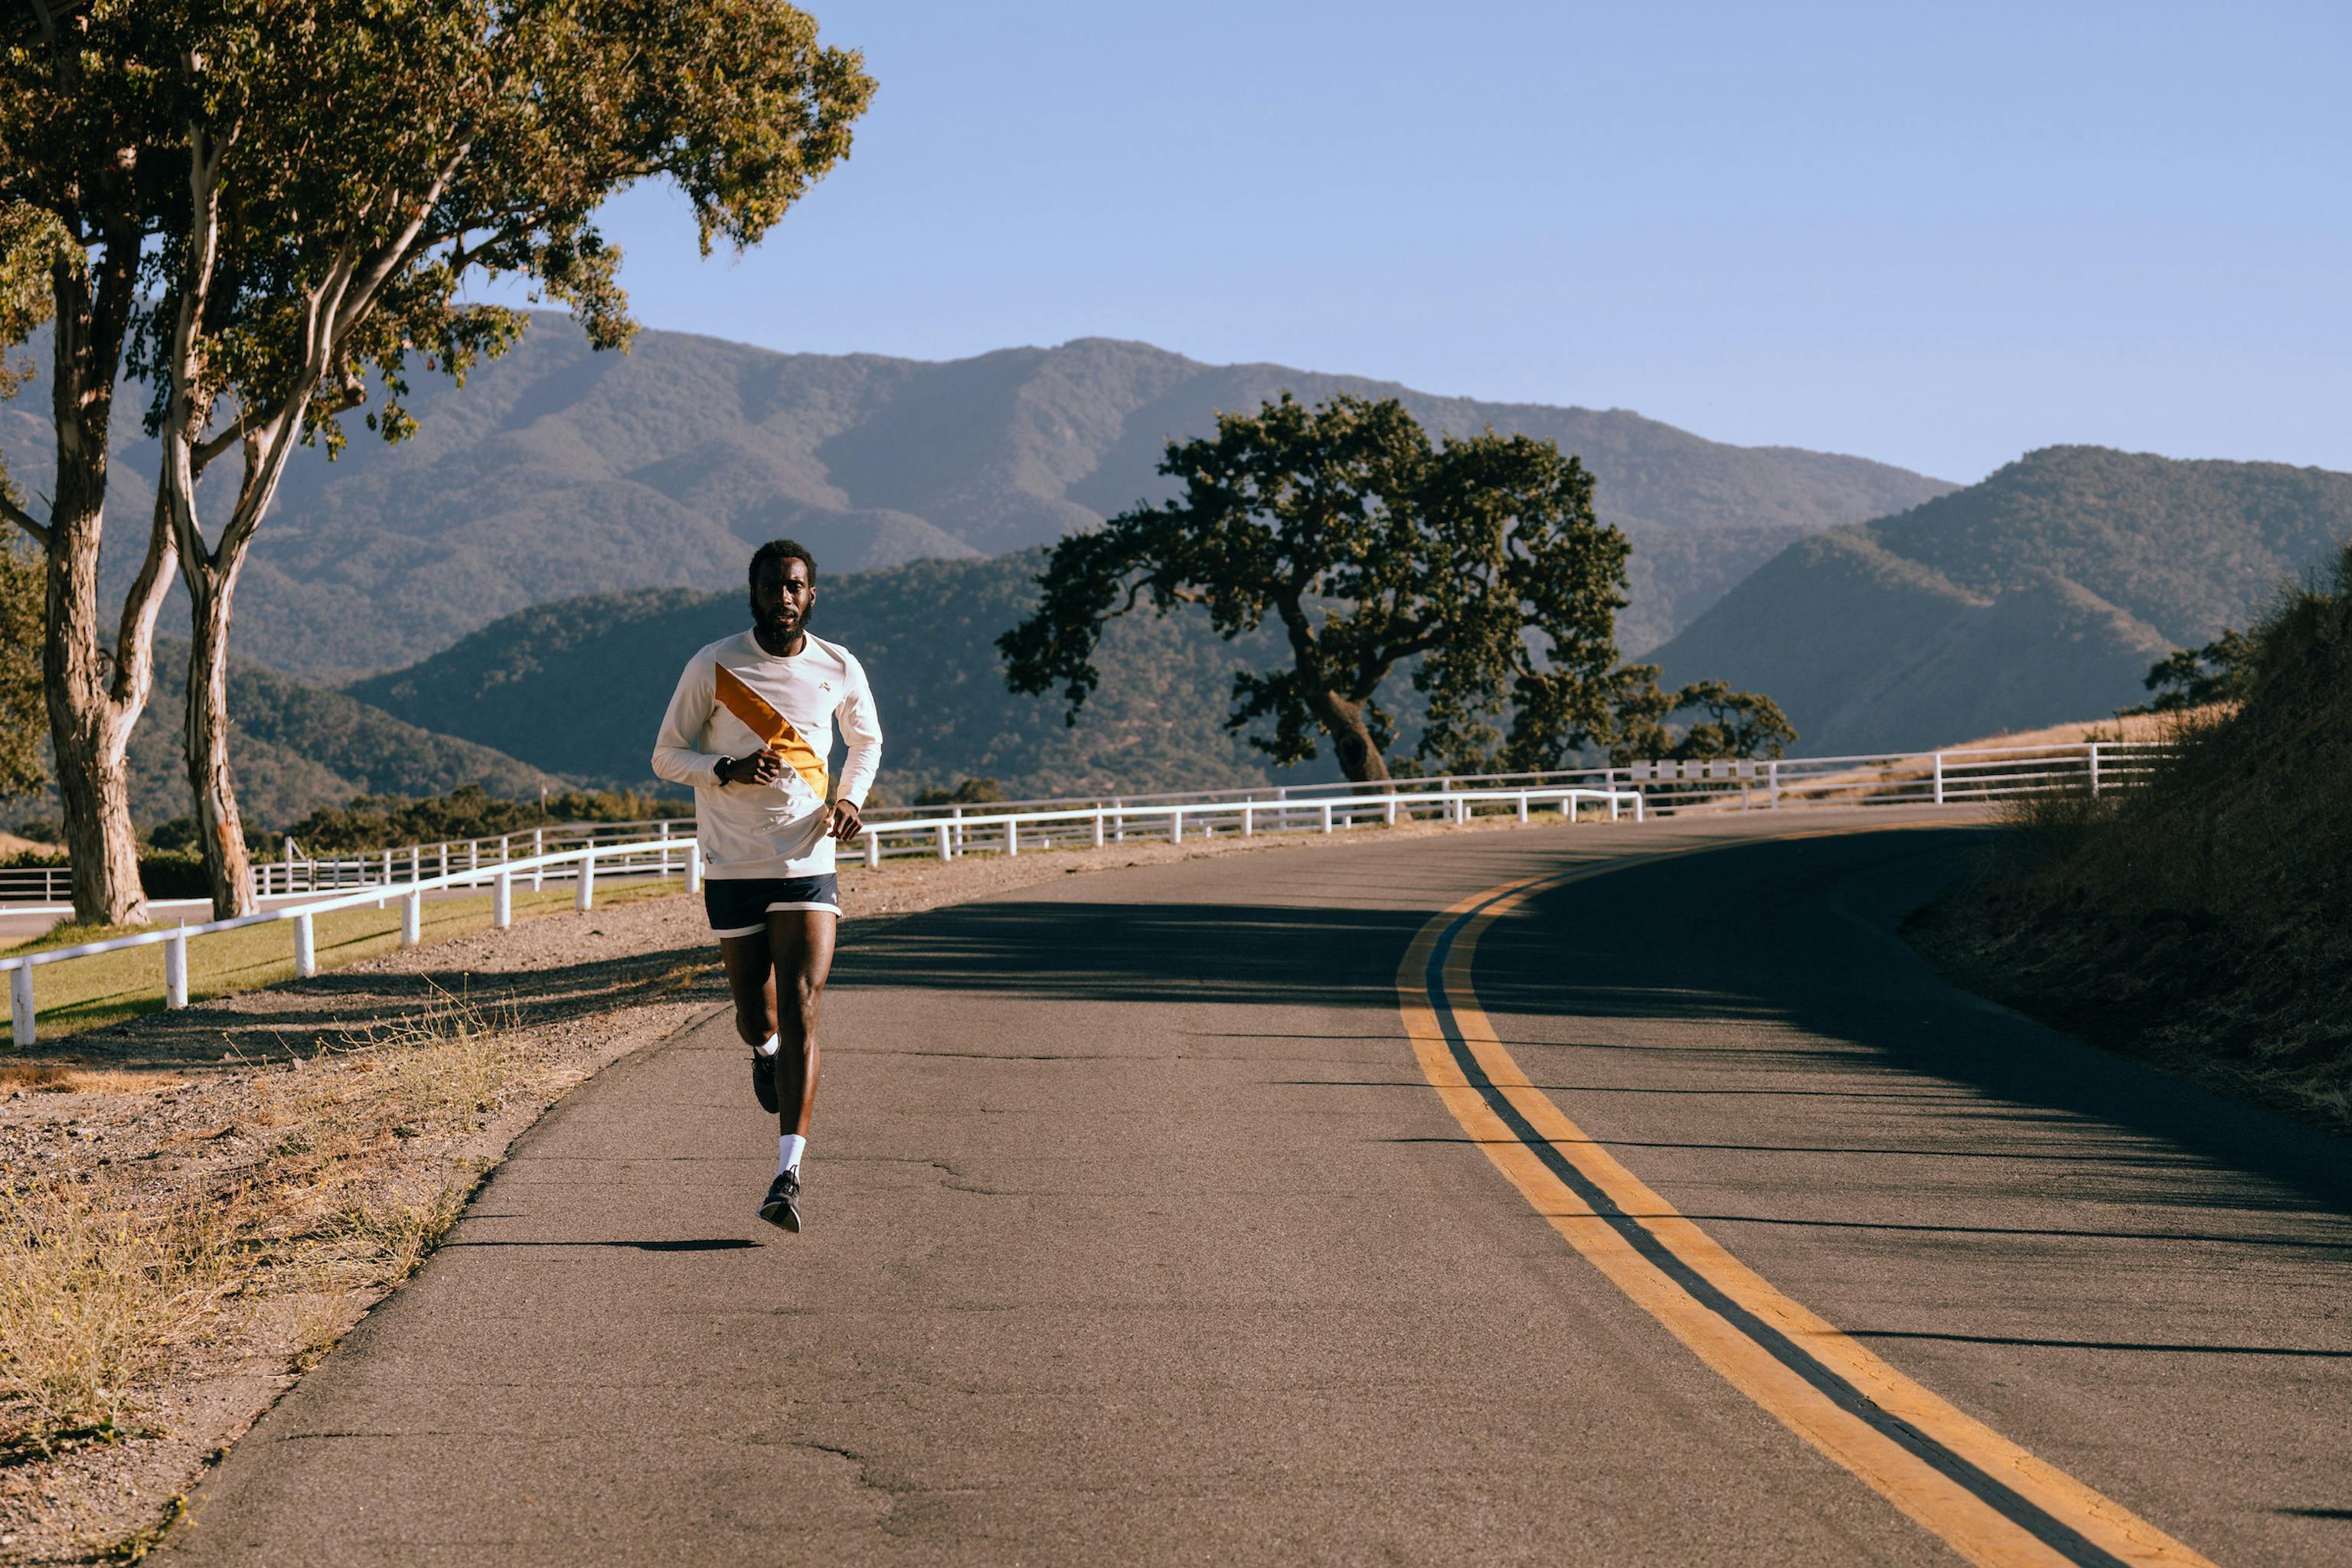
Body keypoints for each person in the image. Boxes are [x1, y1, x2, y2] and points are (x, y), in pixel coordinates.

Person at [652, 540, 882, 1231]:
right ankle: (764, 1050)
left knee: (805, 1007)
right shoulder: (714, 664)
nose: (783, 597)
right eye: (771, 586)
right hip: (731, 863)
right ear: (751, 593)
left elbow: (866, 741)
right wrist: (723, 768)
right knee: (761, 1017)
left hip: (808, 862)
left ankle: (788, 1174)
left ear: (812, 595)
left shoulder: (839, 666)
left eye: (794, 586)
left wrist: (850, 799)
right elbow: (666, 755)